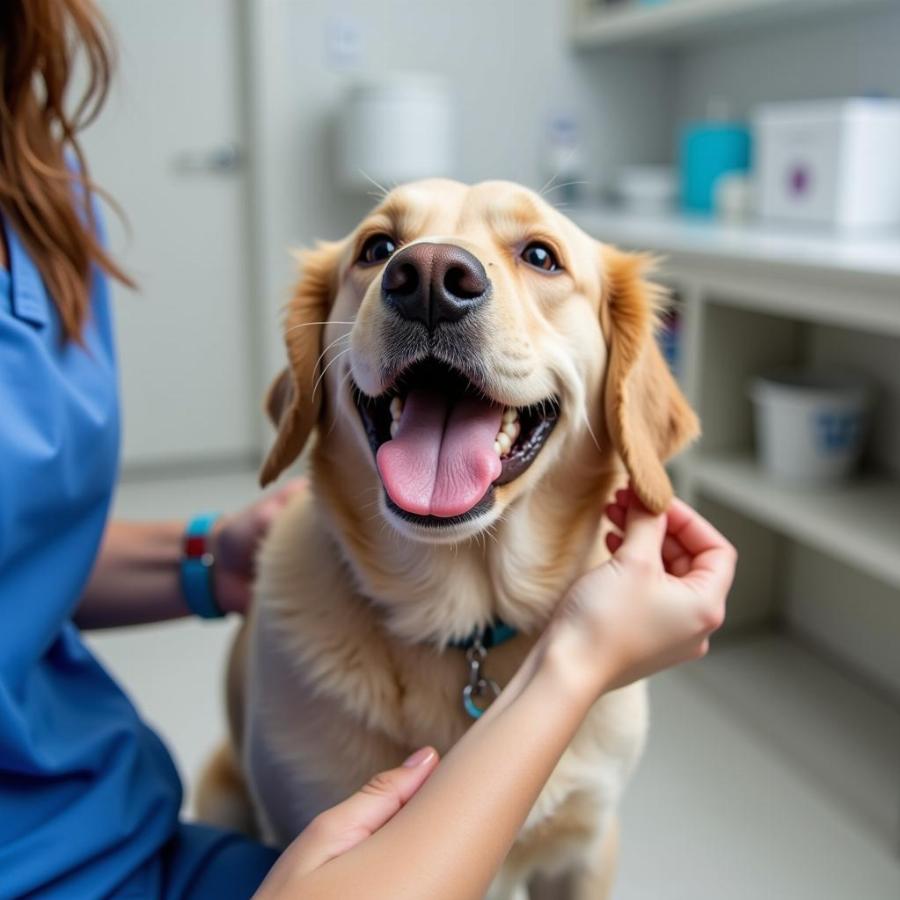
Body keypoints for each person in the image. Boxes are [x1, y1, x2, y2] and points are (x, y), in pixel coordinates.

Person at [0, 2, 736, 898]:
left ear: (622, 380)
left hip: (99, 804)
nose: (433, 273)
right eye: (385, 250)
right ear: (314, 375)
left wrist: (202, 558)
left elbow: (578, 865)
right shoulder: (292, 645)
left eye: (538, 257)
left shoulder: (37, 188)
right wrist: (580, 661)